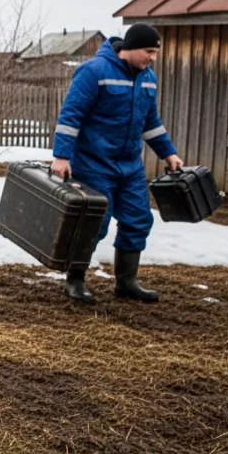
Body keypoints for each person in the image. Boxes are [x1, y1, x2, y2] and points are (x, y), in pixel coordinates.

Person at [49, 23, 182, 305]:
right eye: (149, 51)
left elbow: (151, 123)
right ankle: (75, 281)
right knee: (95, 224)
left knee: (138, 220)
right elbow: (71, 115)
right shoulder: (94, 71)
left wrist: (167, 153)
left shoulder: (148, 79)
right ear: (130, 49)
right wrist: (61, 156)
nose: (153, 58)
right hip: (93, 165)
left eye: (156, 53)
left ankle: (126, 282)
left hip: (130, 167)